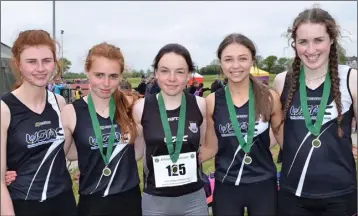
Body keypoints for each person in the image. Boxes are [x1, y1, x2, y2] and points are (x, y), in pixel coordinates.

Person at [4, 42, 143, 216]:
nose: (106, 83)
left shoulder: (130, 107)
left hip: (129, 199)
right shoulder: (70, 112)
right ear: (87, 71)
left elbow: (137, 152)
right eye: (99, 75)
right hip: (92, 203)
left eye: (113, 76)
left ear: (121, 76)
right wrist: (11, 170)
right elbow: (56, 154)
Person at [273, 7, 357, 216]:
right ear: (295, 44)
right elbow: (277, 132)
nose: (311, 50)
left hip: (340, 193)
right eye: (303, 42)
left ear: (331, 40)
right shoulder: (282, 80)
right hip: (293, 193)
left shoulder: (351, 78)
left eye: (318, 40)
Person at [200, 33, 283, 216]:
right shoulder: (212, 101)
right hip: (227, 183)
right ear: (221, 63)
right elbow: (211, 146)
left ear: (252, 60)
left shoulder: (270, 97)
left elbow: (283, 139)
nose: (236, 66)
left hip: (263, 183)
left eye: (243, 59)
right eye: (228, 59)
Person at [0, 29, 77, 216]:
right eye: (32, 62)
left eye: (46, 61)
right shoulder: (4, 109)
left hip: (63, 201)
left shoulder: (59, 103)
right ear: (18, 64)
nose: (40, 68)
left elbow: (67, 152)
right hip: (25, 204)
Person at [132, 43, 208, 215]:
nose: (172, 78)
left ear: (189, 74)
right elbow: (136, 153)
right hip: (155, 201)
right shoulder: (141, 108)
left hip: (193, 200)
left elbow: (202, 146)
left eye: (180, 72)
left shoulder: (200, 104)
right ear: (156, 73)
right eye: (165, 71)